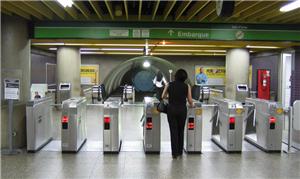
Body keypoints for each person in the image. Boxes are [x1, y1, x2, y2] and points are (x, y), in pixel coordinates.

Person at [162, 69, 194, 159]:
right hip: (182, 110)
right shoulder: (187, 86)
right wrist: (193, 105)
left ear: (175, 76)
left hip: (171, 110)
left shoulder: (169, 84)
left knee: (173, 131)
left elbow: (163, 96)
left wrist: (170, 96)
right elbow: (190, 100)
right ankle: (180, 152)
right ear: (185, 77)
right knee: (181, 130)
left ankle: (174, 153)